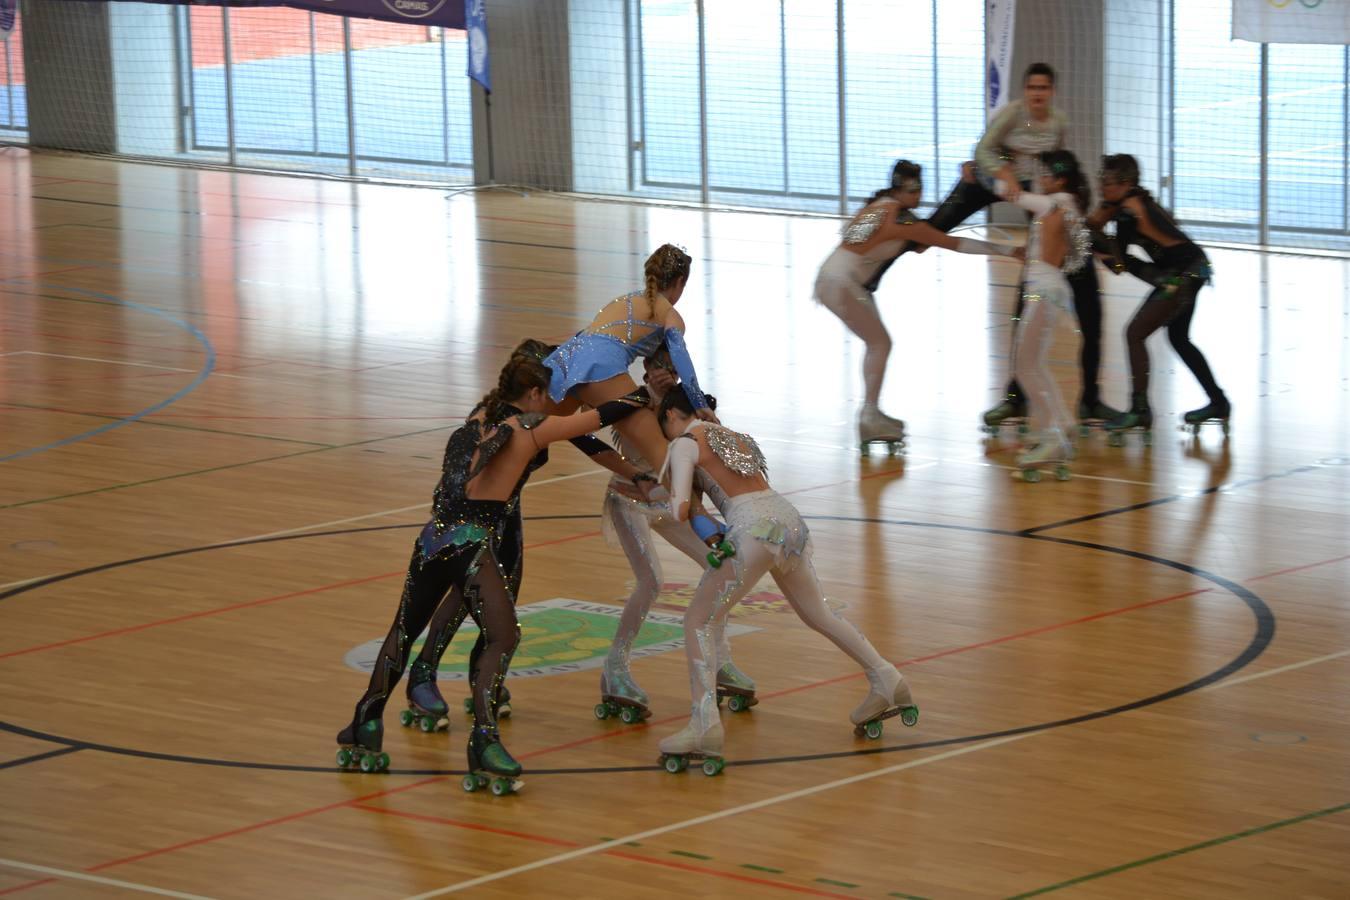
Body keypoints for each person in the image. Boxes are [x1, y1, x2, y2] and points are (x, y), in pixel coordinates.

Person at [335, 341, 647, 794]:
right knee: (503, 636)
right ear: (537, 394)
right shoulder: (531, 427)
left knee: (401, 632)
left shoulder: (479, 419)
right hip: (471, 545)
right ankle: (483, 741)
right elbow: (598, 419)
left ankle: (364, 722)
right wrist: (641, 397)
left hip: (431, 540)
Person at [652, 389, 919, 774]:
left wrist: (679, 497)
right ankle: (887, 678)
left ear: (672, 414)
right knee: (818, 612)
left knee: (698, 621)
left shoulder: (684, 443)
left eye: (665, 424)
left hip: (751, 528)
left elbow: (679, 508)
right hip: (789, 521)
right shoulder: (731, 434)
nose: (665, 433)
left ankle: (704, 723)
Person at [868, 63, 1117, 431]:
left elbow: (1054, 168)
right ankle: (1016, 400)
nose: (1037, 94)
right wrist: (997, 173)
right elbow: (985, 151)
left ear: (1052, 92)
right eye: (1032, 87)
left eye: (1043, 88)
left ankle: (1089, 402)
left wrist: (1105, 249)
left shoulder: (1060, 177)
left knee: (1085, 319)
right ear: (1025, 90)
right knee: (945, 219)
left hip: (1040, 213)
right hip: (1003, 181)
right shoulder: (1014, 120)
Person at [814, 160, 1019, 452]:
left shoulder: (877, 205)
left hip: (830, 277)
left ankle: (871, 413)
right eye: (916, 191)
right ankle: (869, 416)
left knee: (879, 343)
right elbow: (953, 243)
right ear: (905, 190)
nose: (919, 197)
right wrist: (1010, 250)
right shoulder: (901, 219)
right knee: (880, 344)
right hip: (842, 283)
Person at [597, 348, 756, 723]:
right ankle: (614, 669)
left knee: (720, 569)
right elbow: (646, 443)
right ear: (646, 369)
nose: (666, 372)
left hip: (670, 501)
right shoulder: (633, 403)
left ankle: (721, 662)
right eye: (658, 365)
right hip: (630, 498)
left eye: (671, 366)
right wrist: (656, 403)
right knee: (650, 581)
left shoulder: (687, 404)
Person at [1089, 154, 1229, 442]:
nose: (1101, 187)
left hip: (1182, 275)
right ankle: (1219, 402)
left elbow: (1118, 266)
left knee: (1134, 333)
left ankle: (1140, 409)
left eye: (1106, 182)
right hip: (1193, 268)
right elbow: (1096, 224)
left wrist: (1097, 249)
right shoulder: (1133, 200)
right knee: (1179, 339)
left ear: (1125, 184)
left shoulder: (1128, 212)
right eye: (1100, 181)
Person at [543, 244, 716, 475]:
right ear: (680, 281)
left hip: (566, 358)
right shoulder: (669, 314)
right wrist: (698, 402)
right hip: (600, 365)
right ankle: (692, 510)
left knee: (542, 431)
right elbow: (679, 353)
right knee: (658, 448)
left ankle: (633, 479)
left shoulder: (623, 300)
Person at [999, 150, 1093, 481]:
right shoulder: (1062, 203)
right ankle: (1063, 425)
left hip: (1043, 292)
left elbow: (1010, 194)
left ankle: (1054, 436)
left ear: (1060, 179)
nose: (1040, 178)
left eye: (1045, 174)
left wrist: (998, 169)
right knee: (1032, 363)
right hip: (1046, 289)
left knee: (1023, 364)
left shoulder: (1055, 203)